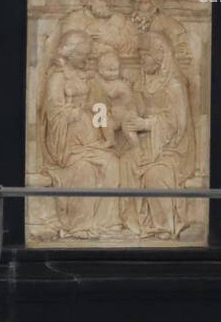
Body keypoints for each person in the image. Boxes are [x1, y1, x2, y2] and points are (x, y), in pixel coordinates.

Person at [41, 31, 121, 240]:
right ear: (69, 53)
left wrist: (107, 133)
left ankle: (105, 223)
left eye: (87, 54)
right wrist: (77, 111)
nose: (85, 59)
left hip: (90, 137)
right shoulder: (58, 78)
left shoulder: (87, 77)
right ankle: (80, 225)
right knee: (83, 169)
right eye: (81, 55)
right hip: (67, 142)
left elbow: (99, 106)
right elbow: (54, 112)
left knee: (112, 163)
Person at [123, 34, 194, 240]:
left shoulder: (174, 85)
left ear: (160, 56)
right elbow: (137, 109)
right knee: (127, 161)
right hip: (147, 141)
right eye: (141, 56)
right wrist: (131, 118)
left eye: (146, 56)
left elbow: (178, 123)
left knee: (155, 174)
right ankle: (137, 222)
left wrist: (147, 124)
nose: (142, 61)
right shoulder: (142, 82)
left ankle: (164, 226)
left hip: (172, 148)